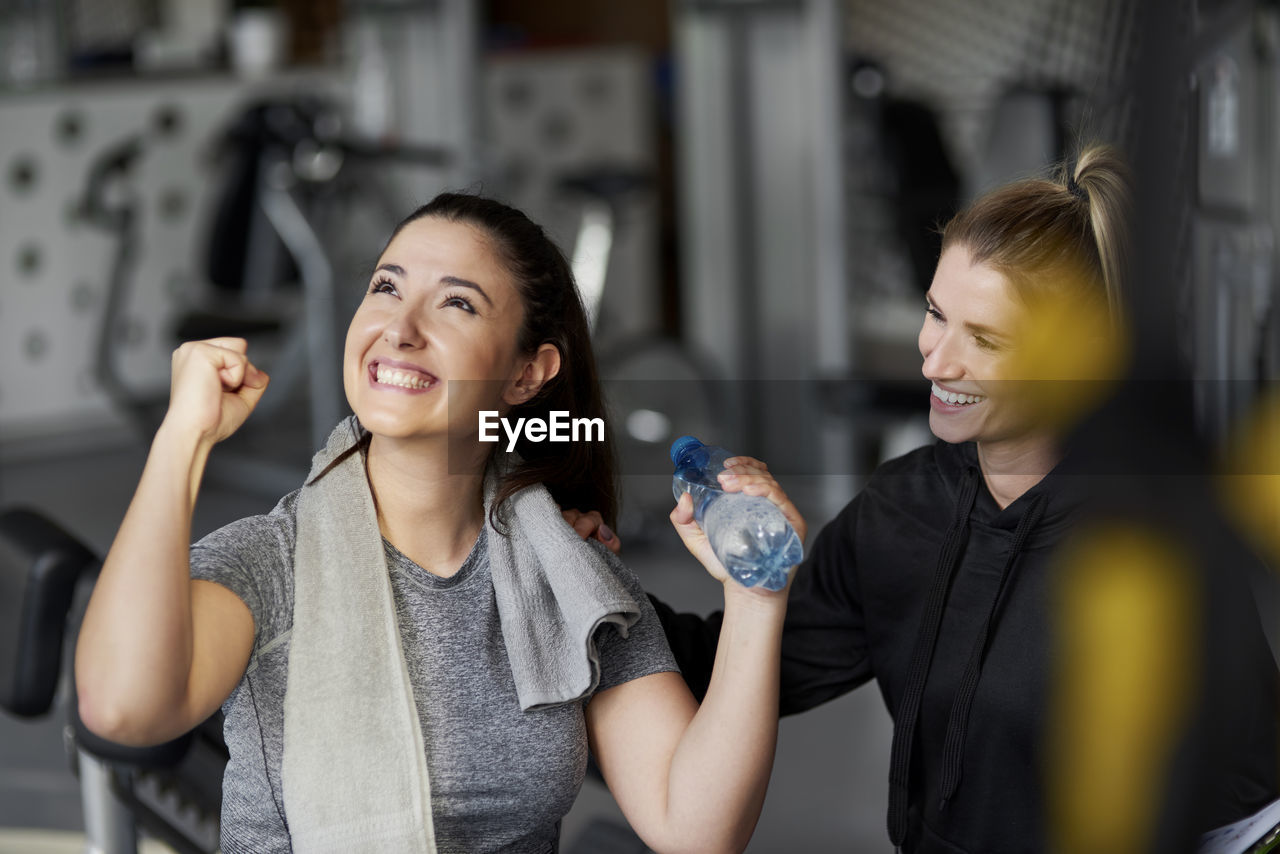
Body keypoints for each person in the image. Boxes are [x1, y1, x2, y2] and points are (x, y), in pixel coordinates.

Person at [569, 143, 1279, 852]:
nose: (935, 360)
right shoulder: (906, 508)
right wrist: (583, 576)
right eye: (936, 314)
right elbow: (741, 671)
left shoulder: (1150, 551)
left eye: (987, 340)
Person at [73, 192, 806, 854]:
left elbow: (698, 827)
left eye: (456, 304)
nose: (400, 328)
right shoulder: (274, 563)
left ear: (528, 373)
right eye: (386, 287)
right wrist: (183, 439)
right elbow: (122, 710)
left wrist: (756, 596)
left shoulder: (570, 572)